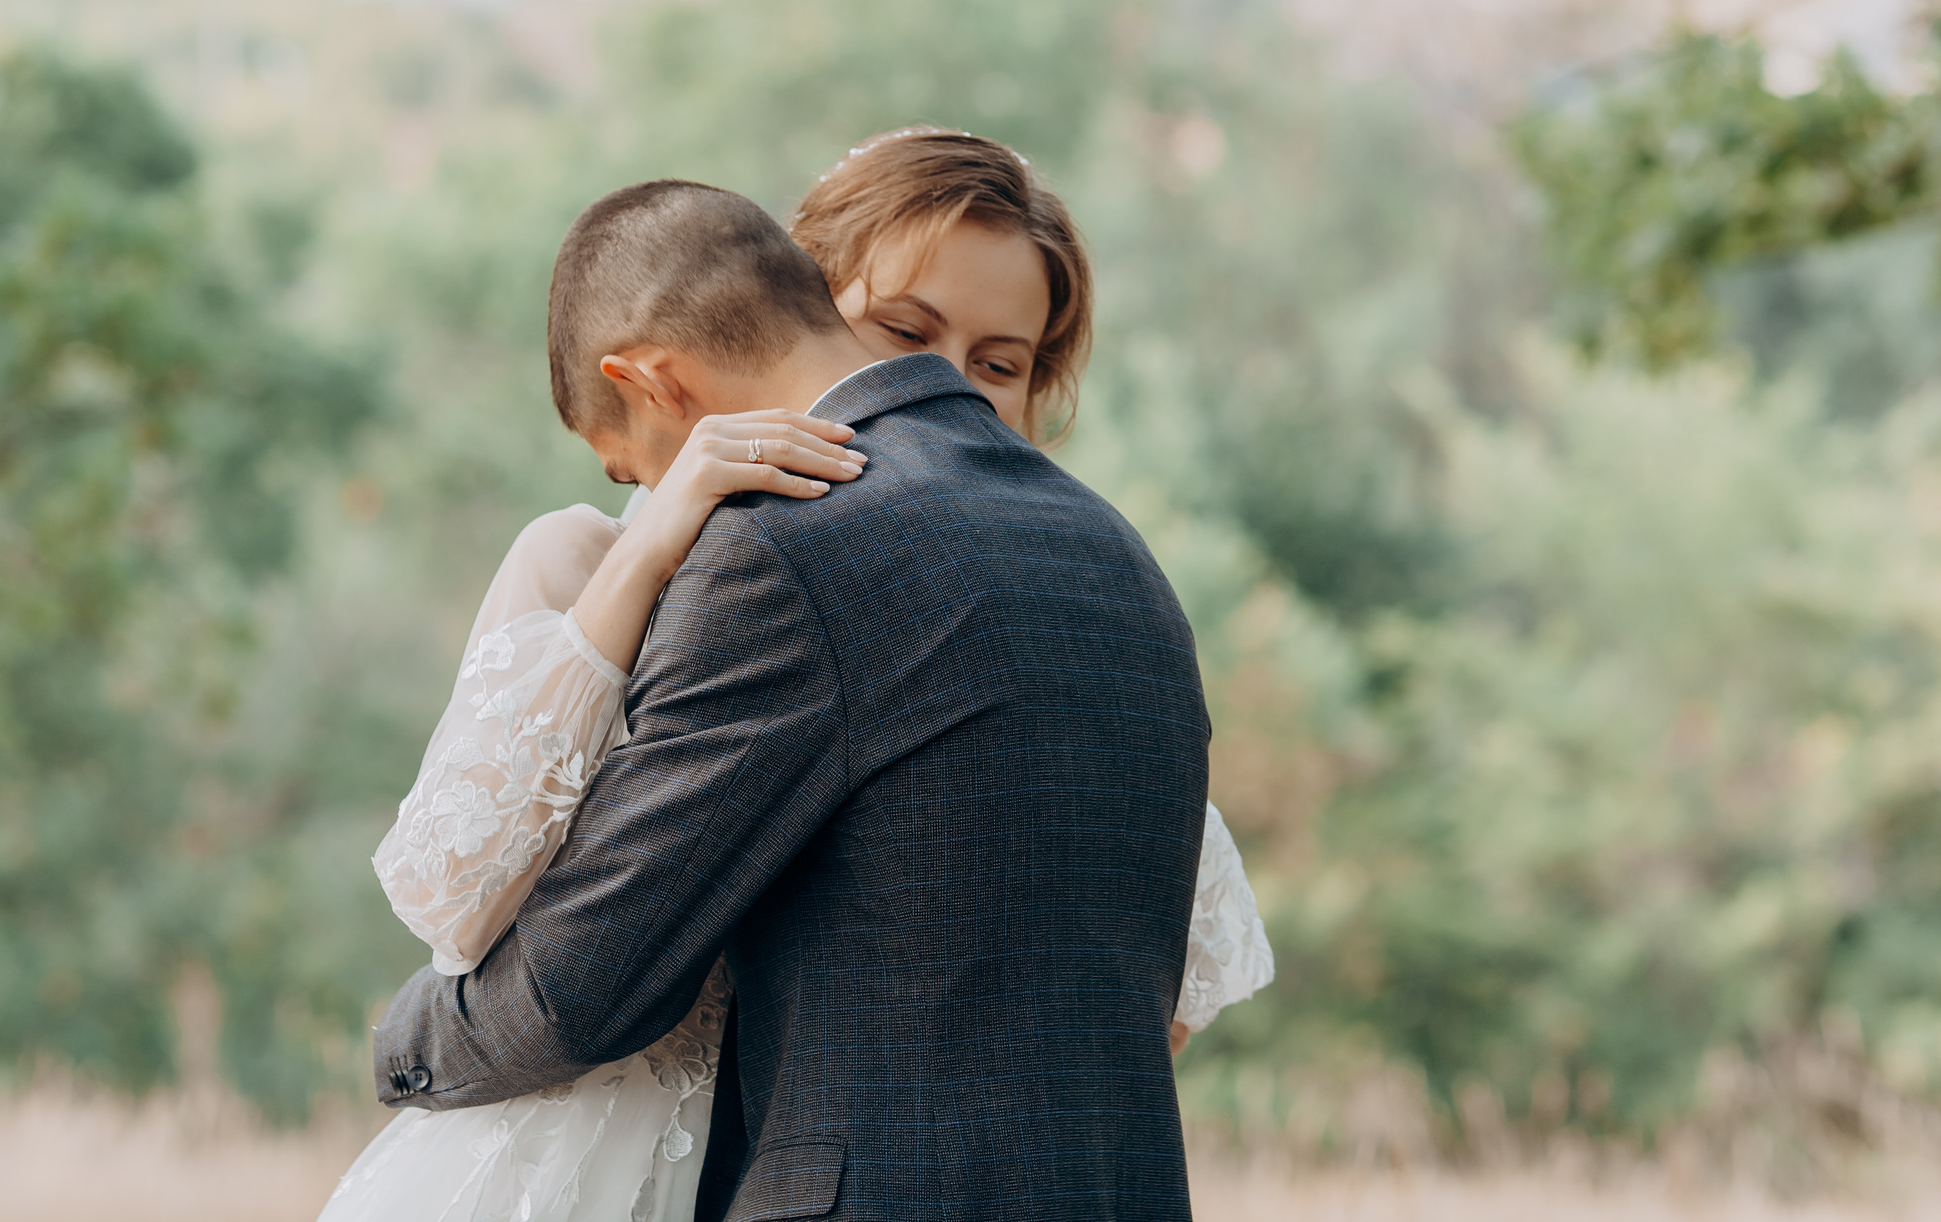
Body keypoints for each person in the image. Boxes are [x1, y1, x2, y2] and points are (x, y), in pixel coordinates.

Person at [324, 134, 1268, 1222]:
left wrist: (399, 1048)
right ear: (797, 291)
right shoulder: (1117, 557)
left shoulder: (788, 547)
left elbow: (582, 989)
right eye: (907, 333)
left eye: (999, 362)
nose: (945, 382)